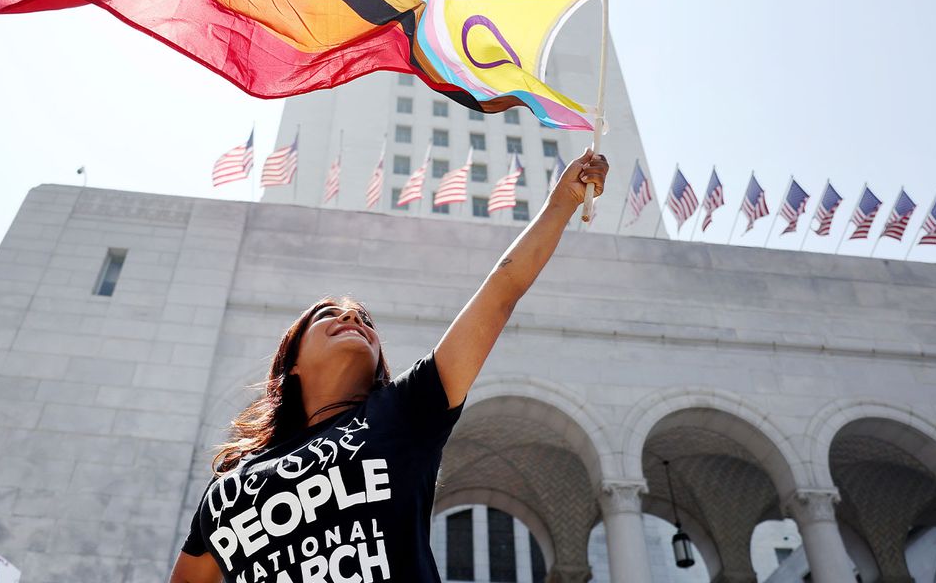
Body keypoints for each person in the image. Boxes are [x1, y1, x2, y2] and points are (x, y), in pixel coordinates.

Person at [170, 148, 610, 583]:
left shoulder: (404, 412)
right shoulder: (229, 488)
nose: (351, 319)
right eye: (329, 315)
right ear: (292, 363)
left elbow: (502, 289)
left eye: (365, 321)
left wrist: (561, 203)